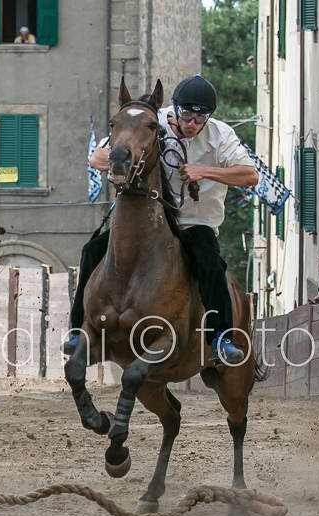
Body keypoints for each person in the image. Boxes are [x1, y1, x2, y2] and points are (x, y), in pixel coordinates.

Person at [63, 74, 259, 365]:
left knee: (210, 263)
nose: (192, 123)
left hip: (196, 222)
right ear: (175, 108)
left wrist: (204, 172)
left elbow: (250, 175)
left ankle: (221, 337)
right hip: (151, 220)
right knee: (92, 250)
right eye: (187, 114)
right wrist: (123, 161)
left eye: (200, 117)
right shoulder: (151, 119)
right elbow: (98, 157)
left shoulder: (221, 135)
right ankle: (78, 331)